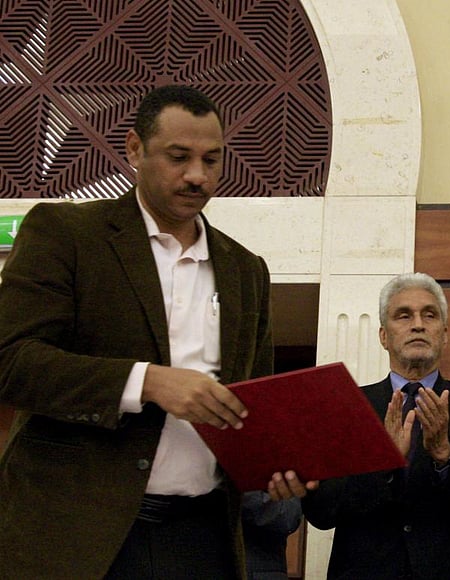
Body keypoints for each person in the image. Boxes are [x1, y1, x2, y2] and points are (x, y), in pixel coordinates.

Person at [0, 85, 311, 579]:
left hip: (202, 536)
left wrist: (273, 465)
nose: (197, 176)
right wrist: (147, 382)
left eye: (212, 160)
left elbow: (252, 403)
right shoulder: (66, 233)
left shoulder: (245, 269)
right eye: (178, 157)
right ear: (134, 149)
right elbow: (11, 362)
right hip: (78, 536)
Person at [295, 272, 450, 579]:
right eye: (403, 315)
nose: (418, 324)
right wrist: (382, 463)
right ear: (383, 336)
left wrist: (446, 457)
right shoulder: (346, 407)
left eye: (429, 315)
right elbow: (322, 512)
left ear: (444, 334)